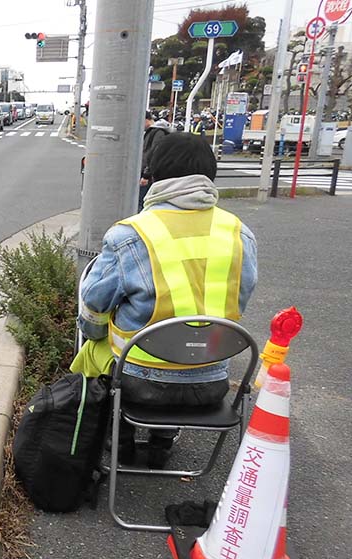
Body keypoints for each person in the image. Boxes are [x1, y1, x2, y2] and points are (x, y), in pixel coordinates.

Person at [71, 133, 257, 468]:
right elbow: (238, 302)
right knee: (186, 343)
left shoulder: (131, 233)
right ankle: (161, 442)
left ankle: (120, 438)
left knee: (94, 350)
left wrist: (94, 335)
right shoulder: (238, 233)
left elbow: (95, 306)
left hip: (140, 382)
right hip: (212, 382)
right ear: (210, 175)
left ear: (154, 174)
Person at [139, 111, 171, 211]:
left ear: (146, 120)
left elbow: (154, 153)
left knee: (143, 203)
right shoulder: (155, 132)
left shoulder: (157, 132)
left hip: (148, 176)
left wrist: (146, 175)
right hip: (148, 174)